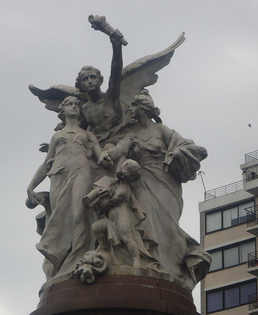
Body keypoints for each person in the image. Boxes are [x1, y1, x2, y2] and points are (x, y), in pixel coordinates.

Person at [99, 89, 211, 288]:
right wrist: (108, 155)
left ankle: (178, 266)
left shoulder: (161, 130)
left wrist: (175, 154)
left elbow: (187, 145)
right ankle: (153, 262)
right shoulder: (131, 134)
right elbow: (119, 149)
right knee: (146, 219)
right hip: (141, 182)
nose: (130, 109)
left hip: (165, 181)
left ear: (143, 109)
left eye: (133, 105)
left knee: (168, 224)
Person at [26, 96, 110, 280]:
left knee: (79, 214)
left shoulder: (87, 134)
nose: (73, 106)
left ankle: (79, 258)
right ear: (62, 111)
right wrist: (31, 186)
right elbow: (45, 163)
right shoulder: (57, 136)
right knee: (59, 215)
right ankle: (62, 259)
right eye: (69, 104)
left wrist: (104, 157)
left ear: (80, 111)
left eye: (76, 104)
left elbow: (99, 152)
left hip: (82, 171)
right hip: (59, 175)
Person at [85, 159, 156, 268]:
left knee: (127, 238)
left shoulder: (123, 189)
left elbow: (110, 203)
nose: (118, 169)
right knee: (95, 228)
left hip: (122, 218)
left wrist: (98, 203)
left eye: (121, 168)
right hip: (110, 219)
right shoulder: (114, 183)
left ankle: (136, 259)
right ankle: (103, 245)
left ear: (125, 174)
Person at [76, 30, 124, 143]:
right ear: (81, 86)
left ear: (100, 80)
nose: (90, 81)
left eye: (93, 77)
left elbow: (115, 73)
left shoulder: (111, 97)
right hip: (96, 147)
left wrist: (117, 47)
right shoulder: (85, 108)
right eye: (85, 79)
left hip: (116, 142)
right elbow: (76, 131)